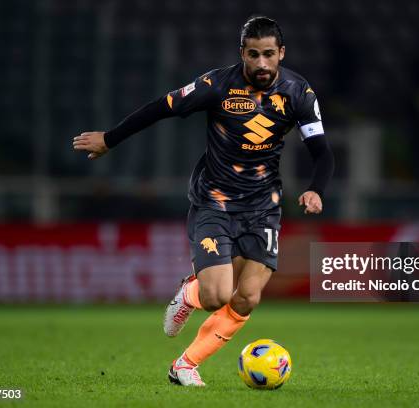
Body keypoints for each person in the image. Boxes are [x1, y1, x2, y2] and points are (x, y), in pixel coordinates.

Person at [73, 16, 334, 386]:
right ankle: (190, 292)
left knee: (246, 298)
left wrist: (316, 190)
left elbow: (323, 153)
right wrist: (110, 139)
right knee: (216, 296)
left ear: (282, 54)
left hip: (263, 206)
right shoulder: (216, 85)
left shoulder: (299, 92)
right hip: (215, 202)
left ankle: (184, 365)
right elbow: (161, 107)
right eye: (254, 54)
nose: (261, 63)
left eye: (269, 55)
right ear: (242, 53)